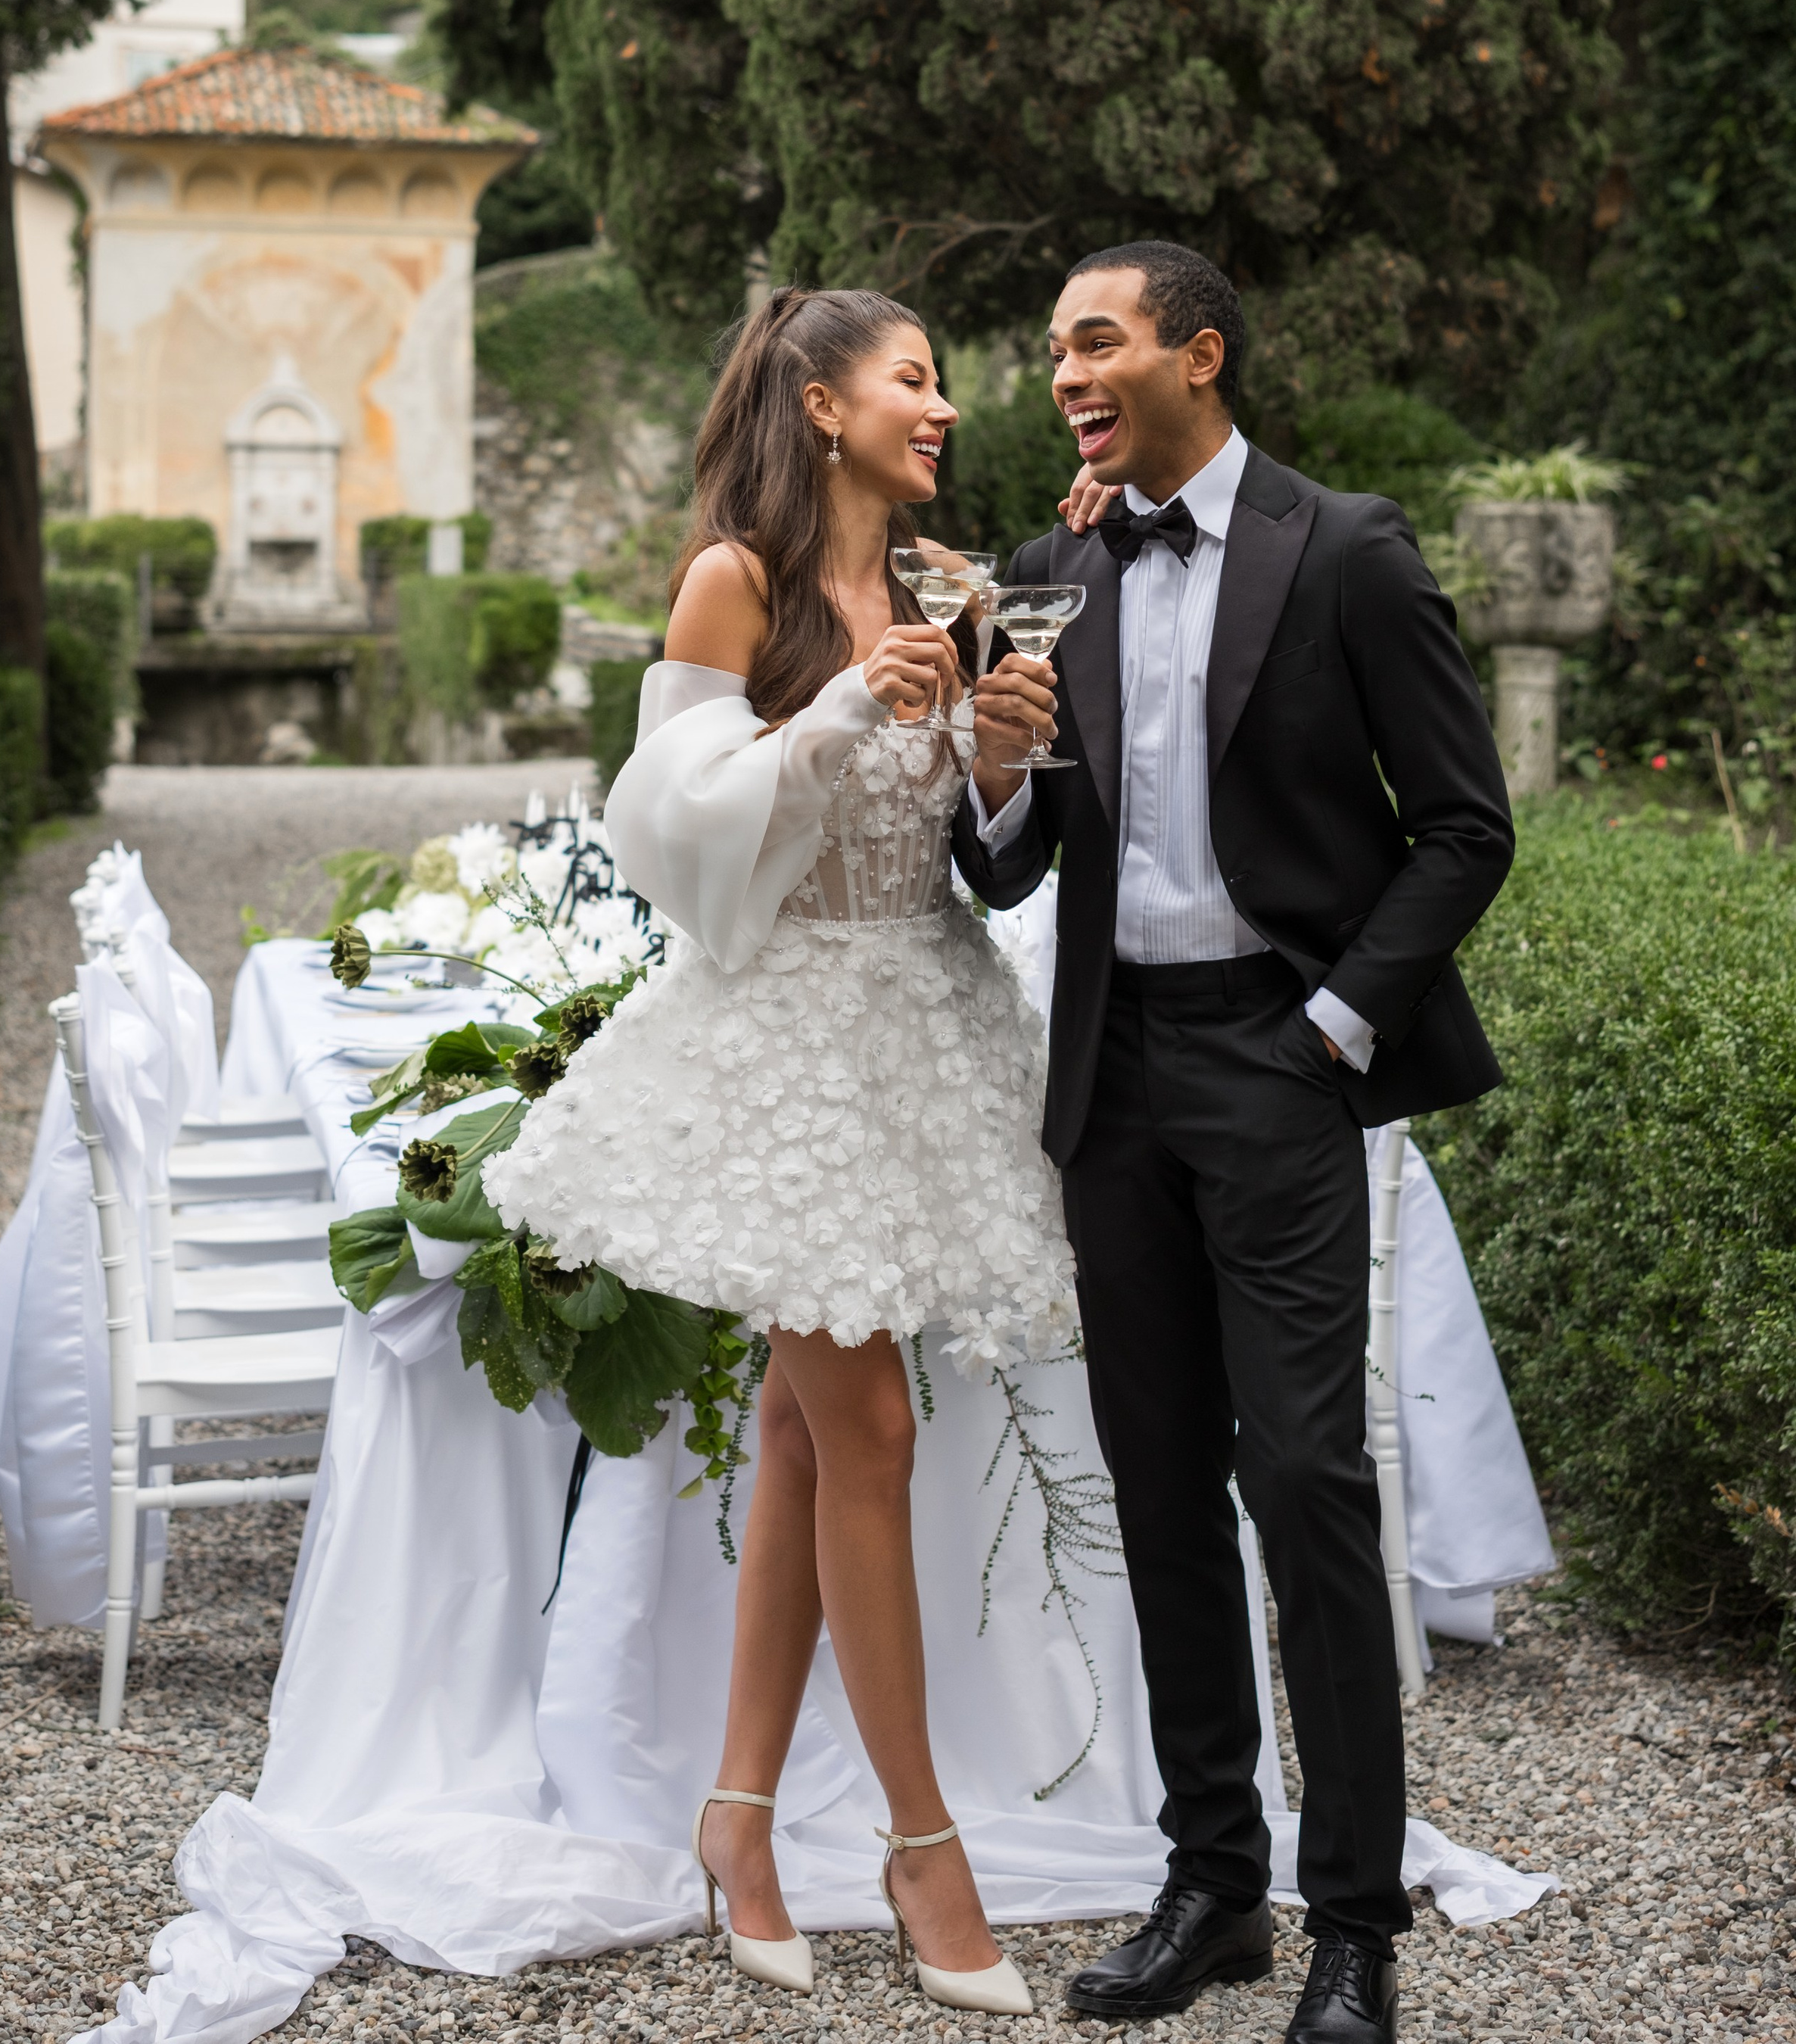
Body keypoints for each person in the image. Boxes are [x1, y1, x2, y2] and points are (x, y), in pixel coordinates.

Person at [483, 285, 1075, 2019]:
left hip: (925, 1026)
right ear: (821, 405)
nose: (945, 404)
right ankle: (919, 1844)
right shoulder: (731, 579)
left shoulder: (954, 588)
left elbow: (981, 839)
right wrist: (831, 717)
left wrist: (993, 758)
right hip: (781, 1049)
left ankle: (736, 1819)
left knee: (816, 1441)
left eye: (945, 381)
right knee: (869, 1421)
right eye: (913, 378)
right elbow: (656, 822)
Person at [951, 241, 1514, 2044]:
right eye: (1050, 349)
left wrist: (1334, 1023)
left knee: (1307, 1488)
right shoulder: (1048, 571)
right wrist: (991, 761)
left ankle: (1350, 1927)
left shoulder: (1342, 549)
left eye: (1094, 340)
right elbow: (1008, 866)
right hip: (1109, 1077)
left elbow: (1460, 826)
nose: (1062, 372)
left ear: (1199, 353)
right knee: (1153, 1485)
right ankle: (1210, 1886)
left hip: (1276, 1065)